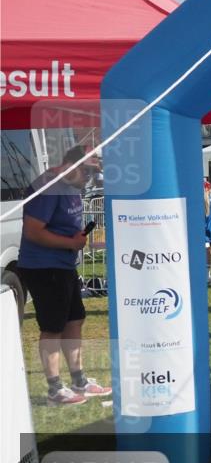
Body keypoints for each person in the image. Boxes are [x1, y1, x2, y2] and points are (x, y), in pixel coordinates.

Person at [18, 145, 112, 406]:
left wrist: (75, 239)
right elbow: (33, 231)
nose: (89, 180)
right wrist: (70, 243)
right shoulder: (49, 186)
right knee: (52, 327)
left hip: (63, 265)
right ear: (72, 165)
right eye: (87, 173)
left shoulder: (69, 186)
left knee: (75, 320)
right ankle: (54, 389)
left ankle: (78, 379)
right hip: (44, 267)